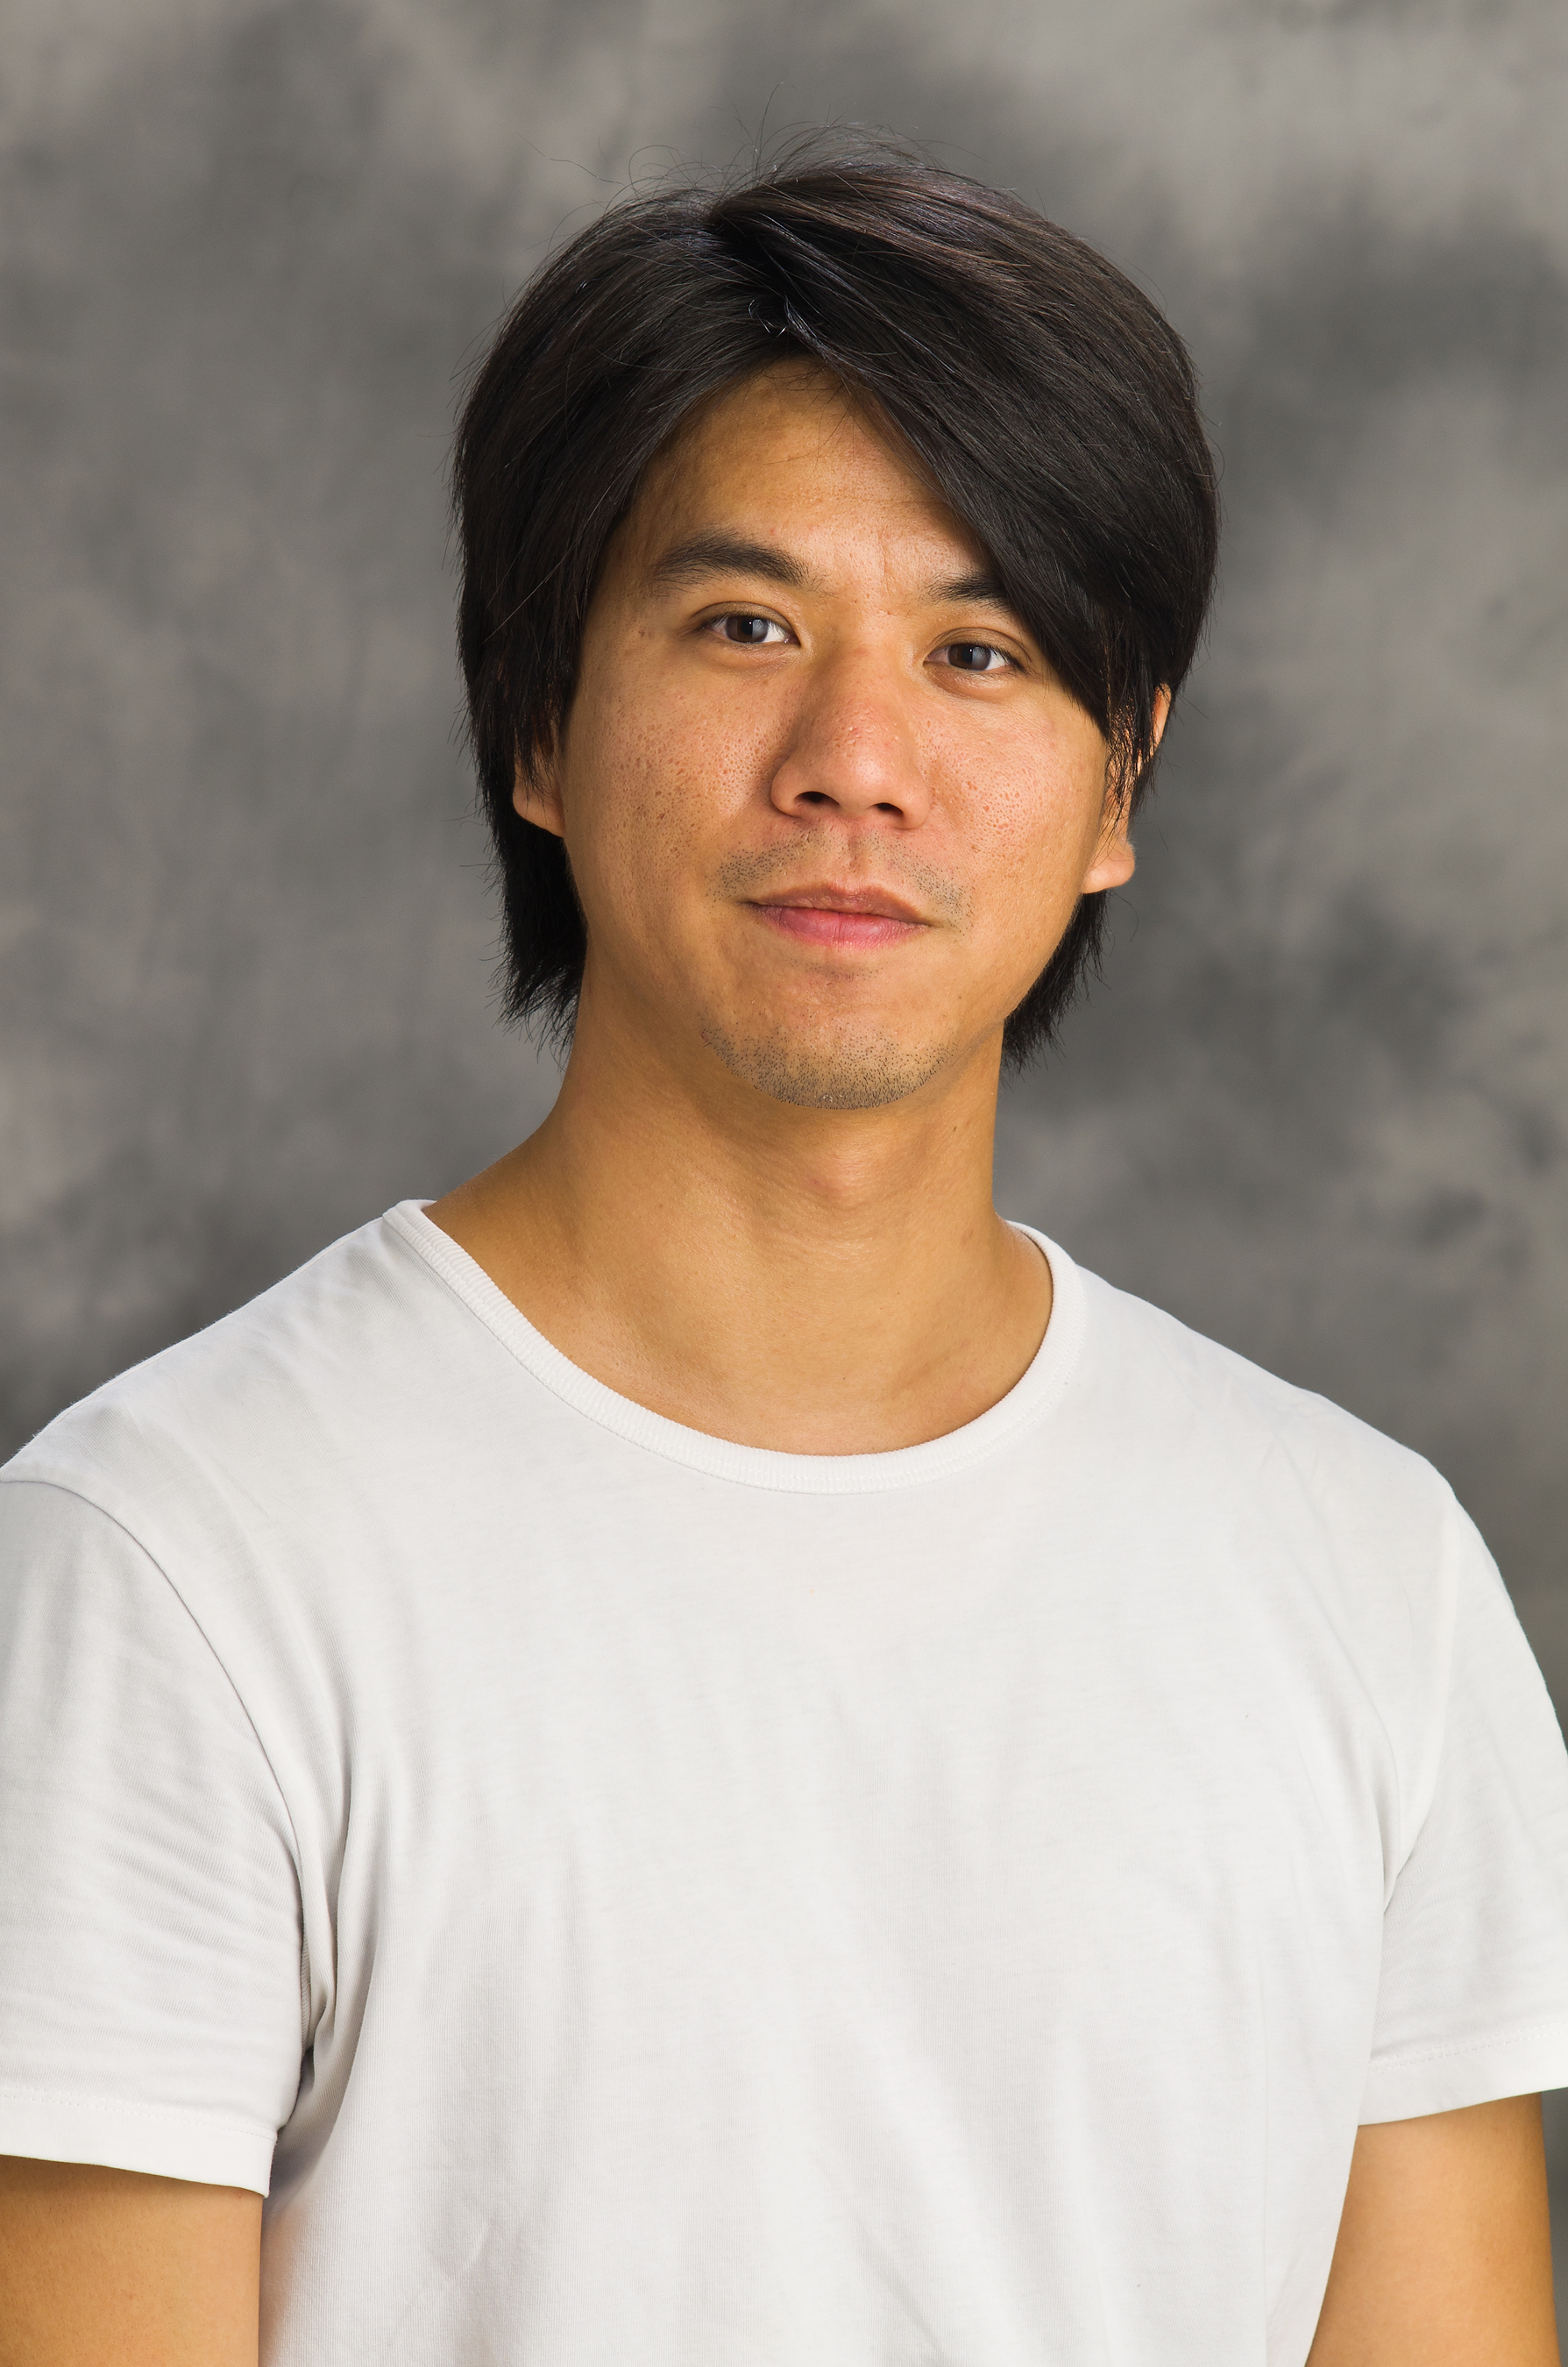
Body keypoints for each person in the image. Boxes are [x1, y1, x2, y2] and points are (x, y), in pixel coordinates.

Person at [2, 139, 1566, 2367]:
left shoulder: (1369, 1586)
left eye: (980, 648)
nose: (856, 760)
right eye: (744, 625)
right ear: (536, 719)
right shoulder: (163, 1570)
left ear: (1120, 784)